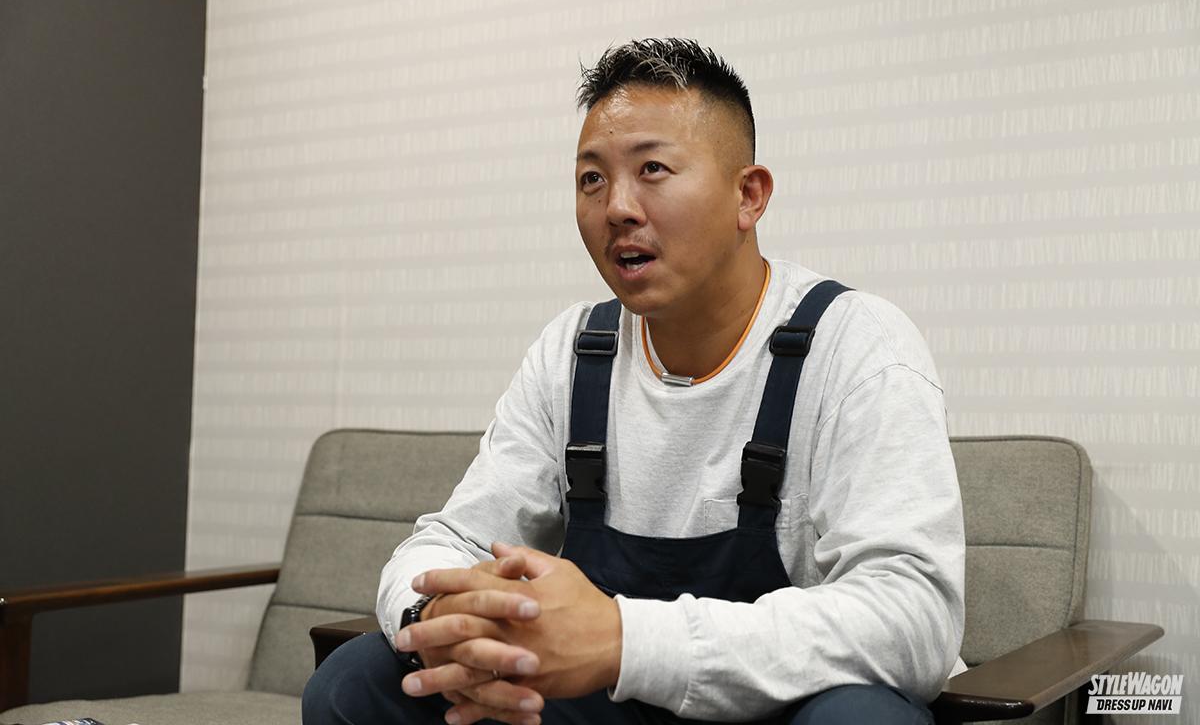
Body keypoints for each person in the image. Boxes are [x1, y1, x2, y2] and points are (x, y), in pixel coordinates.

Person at [303, 38, 966, 725]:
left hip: (787, 704)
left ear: (748, 195)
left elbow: (913, 617)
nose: (617, 206)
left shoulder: (858, 345)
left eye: (652, 169)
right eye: (592, 179)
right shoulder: (572, 351)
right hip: (621, 702)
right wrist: (441, 616)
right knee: (357, 684)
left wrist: (626, 642)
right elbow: (453, 542)